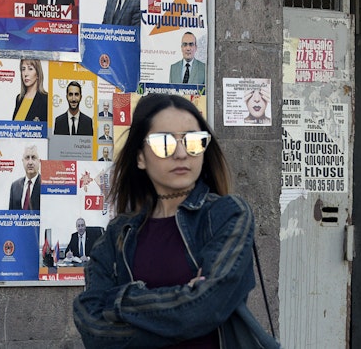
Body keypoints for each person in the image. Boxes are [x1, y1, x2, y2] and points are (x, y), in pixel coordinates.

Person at [72, 94, 280, 348]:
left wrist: (121, 300)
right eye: (164, 143)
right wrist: (183, 301)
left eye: (193, 141)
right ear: (140, 157)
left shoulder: (226, 215)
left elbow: (205, 308)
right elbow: (92, 328)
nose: (181, 153)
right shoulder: (119, 232)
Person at [8, 145, 42, 210]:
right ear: (23, 161)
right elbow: (11, 216)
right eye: (27, 158)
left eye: (33, 157)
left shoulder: (45, 185)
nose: (30, 162)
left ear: (39, 161)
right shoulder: (15, 186)